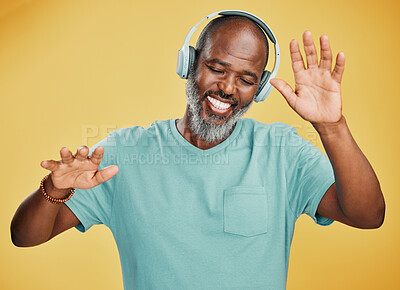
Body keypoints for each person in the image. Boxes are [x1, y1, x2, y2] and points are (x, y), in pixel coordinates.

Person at [11, 11, 385, 290]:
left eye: (246, 79)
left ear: (260, 89)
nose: (227, 88)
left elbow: (368, 215)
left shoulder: (282, 151)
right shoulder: (123, 154)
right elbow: (25, 236)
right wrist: (54, 189)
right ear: (189, 65)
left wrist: (331, 126)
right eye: (216, 68)